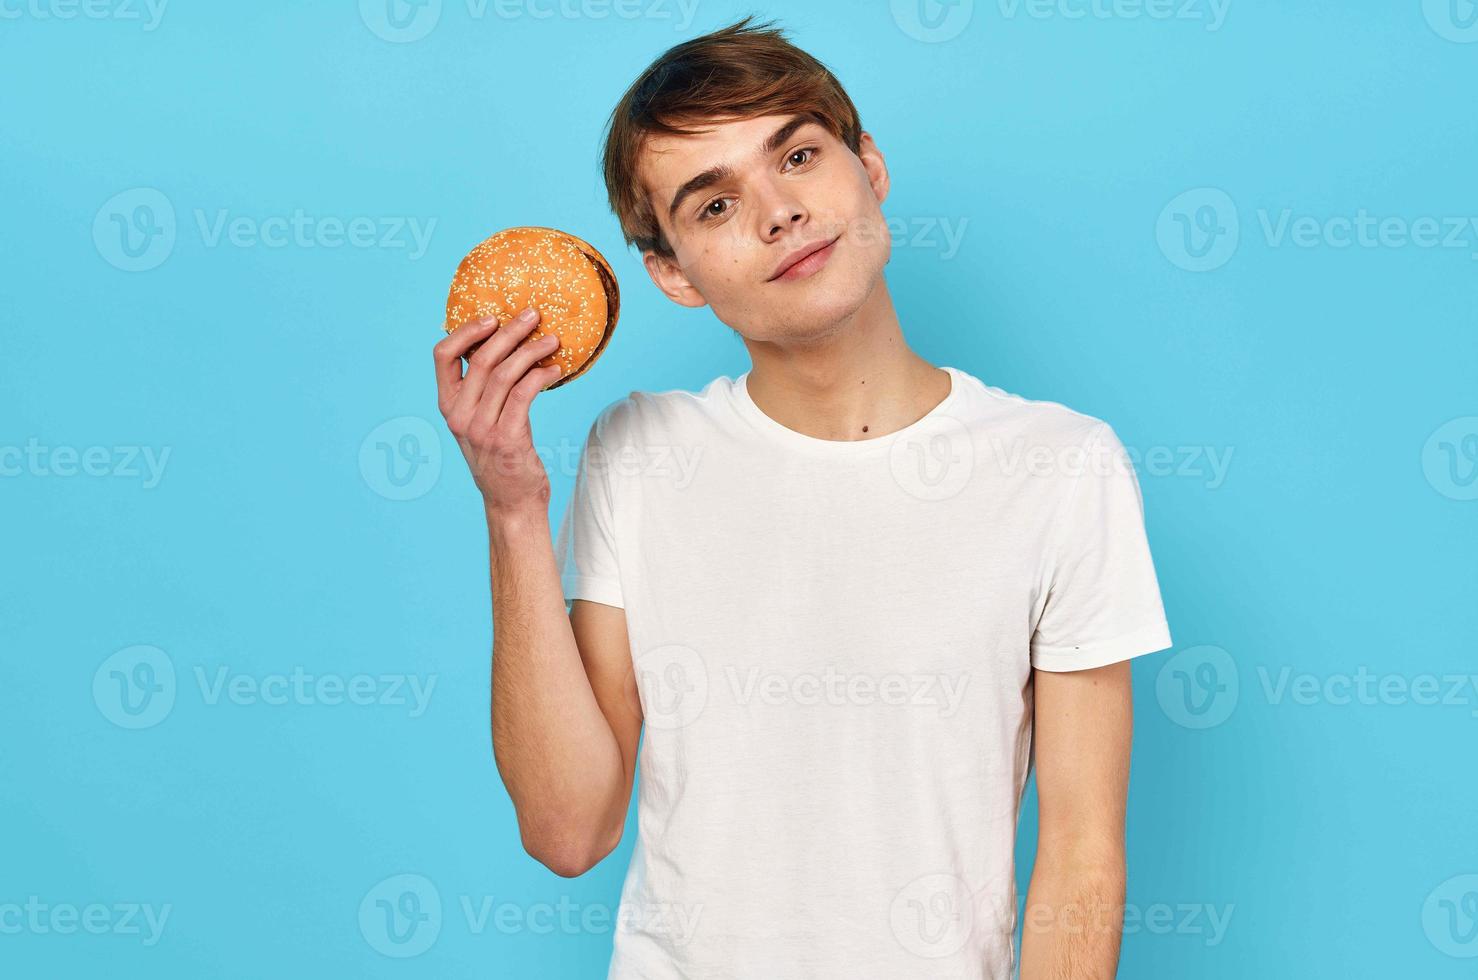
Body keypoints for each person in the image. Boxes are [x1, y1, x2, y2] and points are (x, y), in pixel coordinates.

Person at [433, 16, 1173, 980]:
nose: (777, 211)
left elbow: (1080, 859)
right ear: (670, 274)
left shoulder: (1061, 466)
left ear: (869, 165)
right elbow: (569, 828)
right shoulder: (643, 452)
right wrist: (512, 510)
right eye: (712, 207)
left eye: (798, 154)